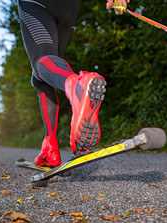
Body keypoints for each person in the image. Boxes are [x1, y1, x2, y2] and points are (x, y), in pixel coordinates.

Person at [17, 0, 130, 167]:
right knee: (47, 71)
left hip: (36, 2)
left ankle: (77, 87)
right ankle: (50, 147)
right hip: (69, 6)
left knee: (43, 61)